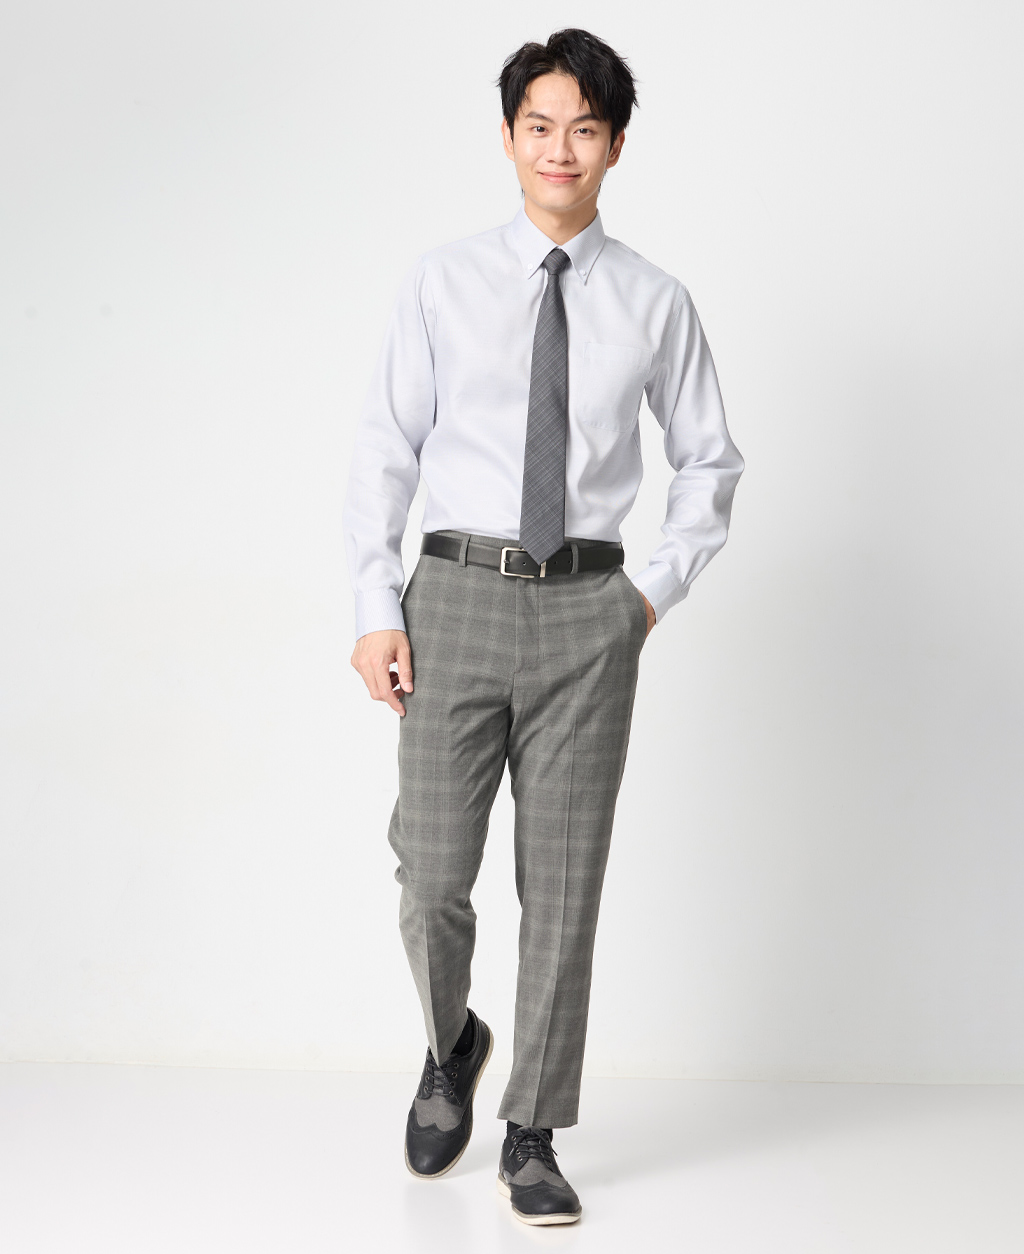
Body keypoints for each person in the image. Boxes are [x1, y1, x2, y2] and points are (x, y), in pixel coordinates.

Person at [343, 28, 743, 1226]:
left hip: (587, 613)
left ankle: (532, 1128)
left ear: (615, 146)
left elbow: (710, 463)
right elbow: (385, 448)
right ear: (509, 137)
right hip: (454, 595)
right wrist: (374, 607)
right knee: (431, 875)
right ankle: (451, 1041)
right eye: (539, 126)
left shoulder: (654, 301)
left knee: (563, 888)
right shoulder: (443, 281)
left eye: (584, 128)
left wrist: (645, 596)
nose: (559, 148)